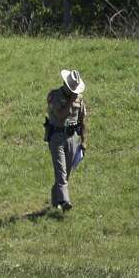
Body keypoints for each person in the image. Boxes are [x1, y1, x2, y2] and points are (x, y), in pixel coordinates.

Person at [44, 69, 87, 212]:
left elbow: (82, 120)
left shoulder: (79, 99)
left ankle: (55, 201)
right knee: (61, 172)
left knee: (65, 173)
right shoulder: (54, 96)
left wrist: (84, 141)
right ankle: (65, 201)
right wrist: (70, 101)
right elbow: (61, 115)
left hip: (72, 138)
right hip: (56, 138)